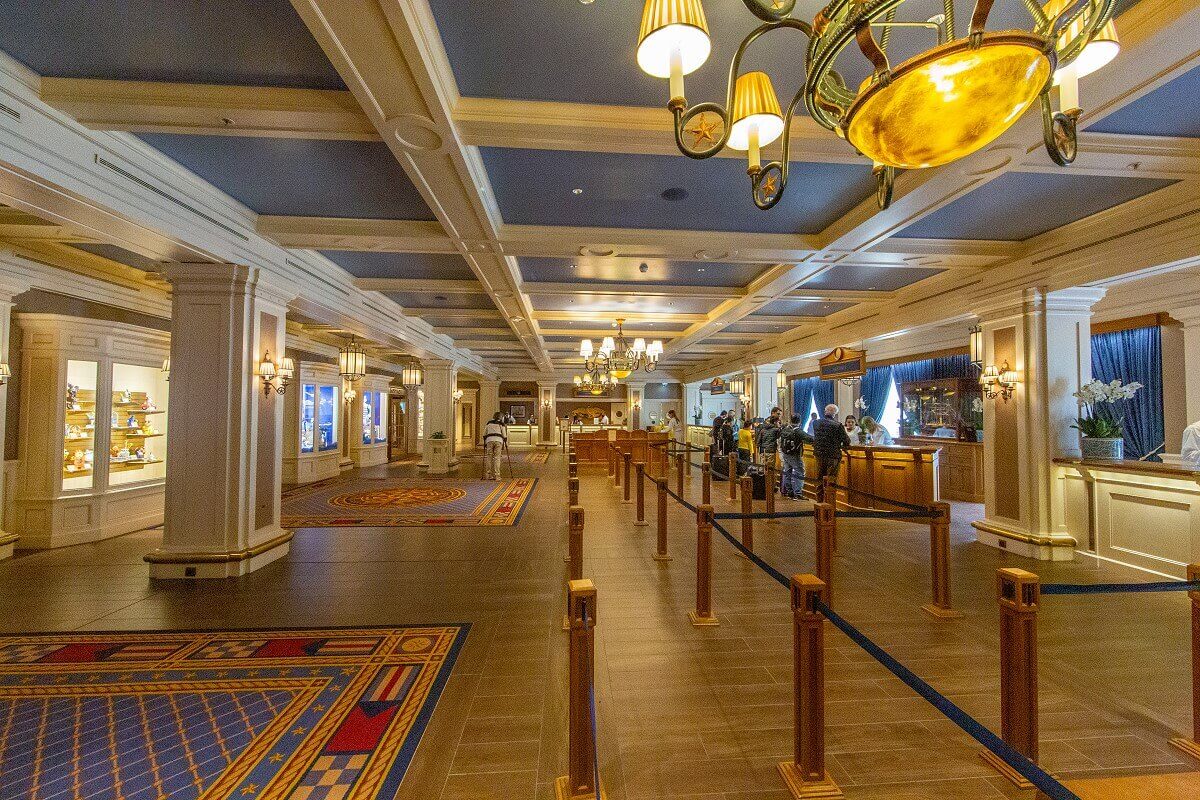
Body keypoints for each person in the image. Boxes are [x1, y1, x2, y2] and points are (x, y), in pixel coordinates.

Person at [813, 404, 851, 502]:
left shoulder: (816, 423)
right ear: (835, 414)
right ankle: (829, 504)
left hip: (819, 454)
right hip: (832, 456)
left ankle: (819, 502)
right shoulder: (837, 425)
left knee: (819, 479)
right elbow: (846, 441)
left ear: (825, 412)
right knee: (831, 479)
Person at [780, 413, 815, 499]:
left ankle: (789, 492)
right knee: (800, 472)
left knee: (787, 472)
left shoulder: (785, 429)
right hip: (795, 454)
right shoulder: (798, 431)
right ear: (800, 421)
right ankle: (798, 493)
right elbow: (810, 438)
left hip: (785, 453)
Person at [483, 412, 507, 481]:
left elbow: (484, 433)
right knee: (497, 458)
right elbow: (504, 435)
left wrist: (485, 442)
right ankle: (497, 476)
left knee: (489, 457)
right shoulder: (501, 424)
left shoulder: (489, 423)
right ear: (500, 417)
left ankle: (488, 474)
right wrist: (506, 443)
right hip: (498, 440)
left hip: (489, 440)